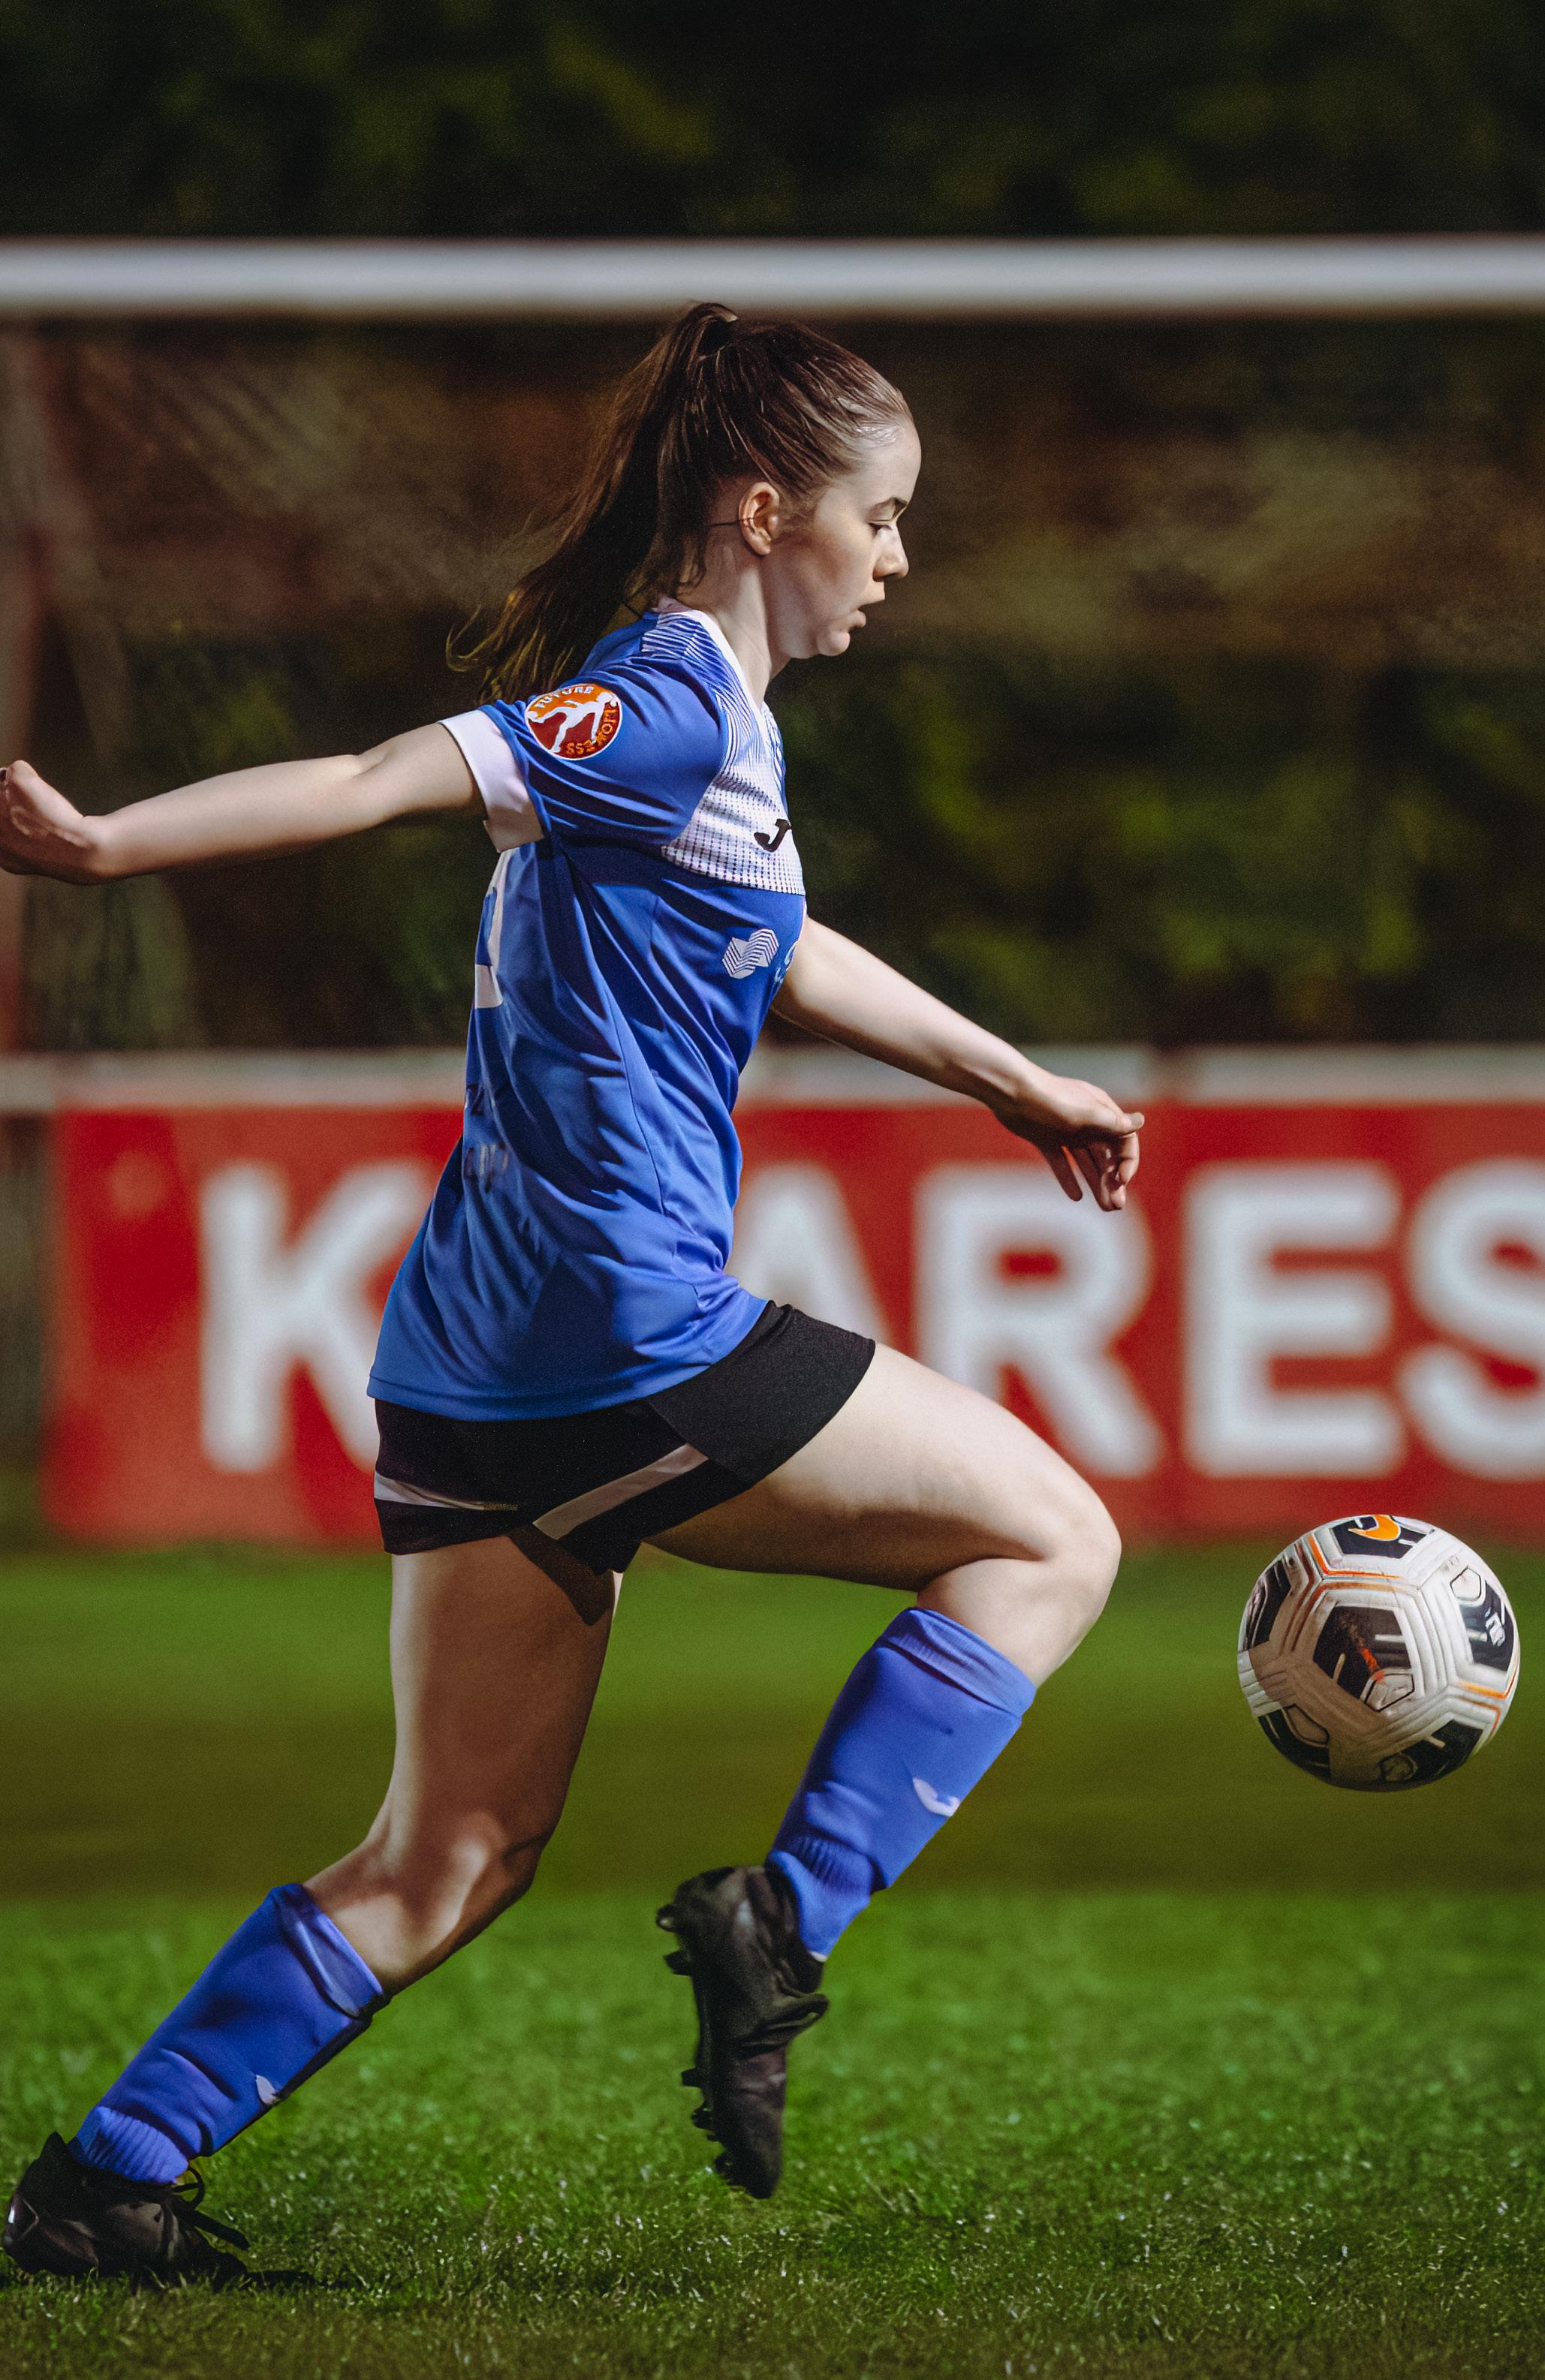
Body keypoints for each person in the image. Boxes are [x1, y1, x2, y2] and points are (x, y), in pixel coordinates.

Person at [0, 304, 1140, 2286]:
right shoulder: (670, 701)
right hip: (617, 1334)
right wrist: (104, 849)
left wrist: (1012, 1079)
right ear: (768, 508)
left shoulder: (698, 731)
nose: (897, 557)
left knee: (450, 1855)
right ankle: (784, 1920)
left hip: (468, 1367)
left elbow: (779, 938)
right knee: (1058, 1537)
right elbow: (386, 773)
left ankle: (102, 2182)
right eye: (880, 515)